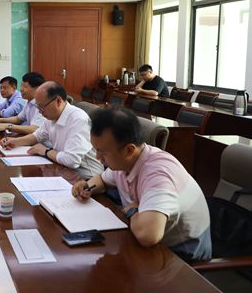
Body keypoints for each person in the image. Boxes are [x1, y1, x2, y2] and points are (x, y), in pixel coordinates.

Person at [72, 107, 211, 261]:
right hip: (151, 242)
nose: (98, 157)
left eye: (103, 152)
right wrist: (87, 186)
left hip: (182, 254)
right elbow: (103, 180)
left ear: (129, 150)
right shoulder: (124, 161)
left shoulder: (158, 174)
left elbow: (148, 236)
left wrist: (132, 211)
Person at [1, 81, 103, 179]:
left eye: (41, 107)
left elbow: (72, 160)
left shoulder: (78, 119)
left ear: (58, 101)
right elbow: (37, 136)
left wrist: (46, 151)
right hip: (62, 168)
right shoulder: (52, 116)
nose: (39, 112)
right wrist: (14, 141)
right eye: (38, 107)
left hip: (85, 177)